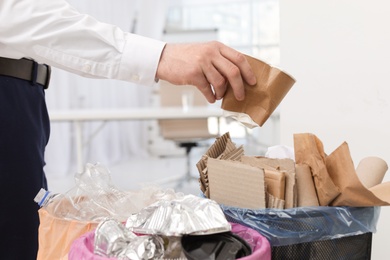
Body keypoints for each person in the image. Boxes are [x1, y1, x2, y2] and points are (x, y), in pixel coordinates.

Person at [0, 0, 256, 259]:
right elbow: (15, 13)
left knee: (25, 232)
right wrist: (161, 56)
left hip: (25, 93)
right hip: (10, 90)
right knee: (17, 238)